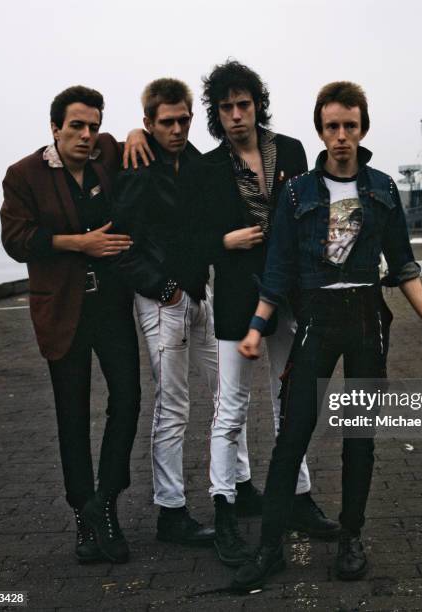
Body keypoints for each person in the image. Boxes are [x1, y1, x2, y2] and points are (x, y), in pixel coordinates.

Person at [232, 81, 422, 590]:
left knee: (360, 438)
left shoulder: (382, 188)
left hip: (367, 320)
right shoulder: (297, 193)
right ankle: (270, 547)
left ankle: (350, 538)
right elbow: (279, 266)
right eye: (332, 126)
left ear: (363, 129)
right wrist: (256, 328)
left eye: (350, 126)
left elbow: (402, 264)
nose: (341, 136)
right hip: (317, 319)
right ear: (320, 130)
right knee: (293, 434)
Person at [180, 60, 340, 567]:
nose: (235, 115)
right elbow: (186, 240)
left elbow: (312, 215)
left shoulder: (290, 151)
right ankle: (224, 510)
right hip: (234, 300)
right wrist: (222, 240)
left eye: (243, 104)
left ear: (257, 105)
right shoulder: (206, 168)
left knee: (287, 400)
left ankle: (297, 498)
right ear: (216, 113)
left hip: (290, 295)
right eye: (225, 107)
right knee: (231, 410)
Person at [0, 86, 141, 564]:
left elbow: (135, 143)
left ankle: (107, 501)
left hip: (112, 306)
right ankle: (85, 517)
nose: (86, 135)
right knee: (72, 414)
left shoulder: (106, 155)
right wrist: (79, 243)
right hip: (63, 309)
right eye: (76, 125)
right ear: (55, 127)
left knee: (128, 397)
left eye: (94, 125)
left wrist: (137, 128)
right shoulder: (24, 174)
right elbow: (17, 239)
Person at [109, 78, 219, 546]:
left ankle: (237, 487)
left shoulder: (198, 165)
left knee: (226, 395)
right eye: (166, 121)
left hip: (202, 295)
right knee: (172, 406)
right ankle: (170, 512)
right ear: (149, 123)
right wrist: (165, 289)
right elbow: (121, 246)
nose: (177, 128)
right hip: (162, 300)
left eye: (184, 119)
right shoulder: (136, 167)